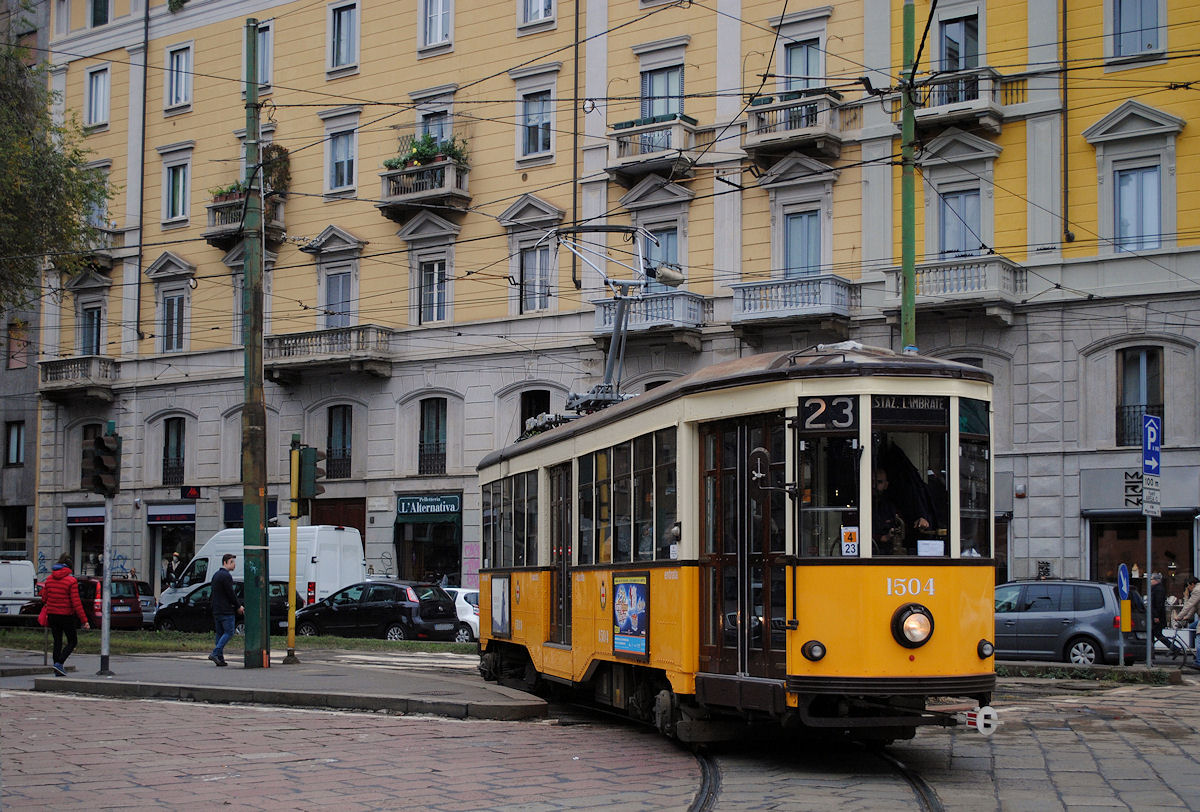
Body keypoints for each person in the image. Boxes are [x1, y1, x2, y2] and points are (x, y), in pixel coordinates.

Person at [41, 554, 90, 676]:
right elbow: (76, 602)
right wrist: (84, 620)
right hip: (66, 615)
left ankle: (57, 668)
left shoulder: (49, 579)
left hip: (52, 615)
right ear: (69, 567)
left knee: (57, 641)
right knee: (72, 641)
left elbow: (44, 598)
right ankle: (59, 663)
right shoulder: (71, 581)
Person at [209, 553, 242, 667]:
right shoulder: (226, 576)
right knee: (229, 632)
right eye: (231, 562)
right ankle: (215, 652)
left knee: (220, 633)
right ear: (225, 563)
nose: (234, 564)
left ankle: (220, 658)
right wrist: (238, 606)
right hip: (226, 610)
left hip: (216, 609)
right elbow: (230, 593)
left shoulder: (216, 575)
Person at [1172, 576, 1200, 671]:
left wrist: (1179, 616)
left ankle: (1198, 662)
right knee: (1192, 627)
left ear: (1192, 584)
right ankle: (1196, 654)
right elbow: (1195, 607)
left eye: (1188, 586)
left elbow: (1189, 605)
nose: (1188, 588)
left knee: (1199, 638)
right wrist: (1187, 617)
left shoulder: (1197, 590)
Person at [1150, 572, 1171, 655]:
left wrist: (1156, 616)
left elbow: (1158, 604)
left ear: (1156, 580)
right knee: (1152, 634)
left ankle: (1174, 648)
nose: (1150, 581)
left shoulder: (1158, 589)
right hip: (1156, 616)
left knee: (1157, 634)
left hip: (1157, 617)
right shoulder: (1156, 588)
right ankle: (1151, 654)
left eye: (1151, 579)